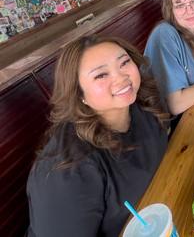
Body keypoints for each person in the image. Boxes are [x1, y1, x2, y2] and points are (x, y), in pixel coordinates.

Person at [27, 36, 170, 237]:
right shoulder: (69, 169)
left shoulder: (142, 107)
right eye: (101, 75)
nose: (121, 77)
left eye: (124, 62)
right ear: (79, 94)